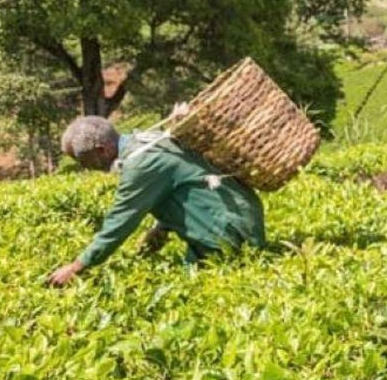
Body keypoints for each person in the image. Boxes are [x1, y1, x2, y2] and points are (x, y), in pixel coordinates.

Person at [46, 115, 265, 286]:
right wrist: (163, 227)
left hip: (231, 233)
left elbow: (120, 221)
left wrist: (77, 266)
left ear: (101, 150)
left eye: (83, 160)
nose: (85, 167)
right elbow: (185, 185)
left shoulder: (141, 163)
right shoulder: (148, 140)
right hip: (241, 217)